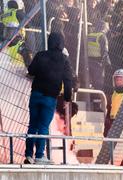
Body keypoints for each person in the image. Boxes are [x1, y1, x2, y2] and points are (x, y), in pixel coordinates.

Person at [24, 32, 73, 164]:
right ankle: (40, 155)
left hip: (35, 95)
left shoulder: (41, 55)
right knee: (43, 126)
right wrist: (67, 99)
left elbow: (31, 70)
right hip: (50, 97)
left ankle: (28, 154)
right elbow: (68, 81)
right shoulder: (64, 60)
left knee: (32, 125)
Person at [103, 69, 123, 165]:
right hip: (113, 122)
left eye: (120, 80)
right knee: (112, 147)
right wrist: (107, 125)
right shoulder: (114, 93)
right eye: (117, 80)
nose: (118, 82)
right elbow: (110, 109)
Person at [0, 0, 32, 68]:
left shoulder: (3, 15)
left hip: (6, 44)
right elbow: (28, 24)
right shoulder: (17, 12)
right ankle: (32, 72)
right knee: (27, 53)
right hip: (17, 41)